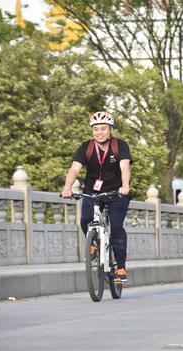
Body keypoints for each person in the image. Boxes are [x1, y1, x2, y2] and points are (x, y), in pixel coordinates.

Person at [61, 112, 132, 282]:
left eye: (103, 129)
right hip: (93, 191)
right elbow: (74, 169)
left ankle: (120, 266)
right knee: (85, 219)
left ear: (110, 129)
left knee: (116, 226)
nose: (99, 132)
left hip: (116, 192)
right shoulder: (86, 147)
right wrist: (67, 188)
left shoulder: (119, 145)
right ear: (92, 131)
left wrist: (125, 186)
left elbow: (125, 168)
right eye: (96, 129)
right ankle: (93, 245)